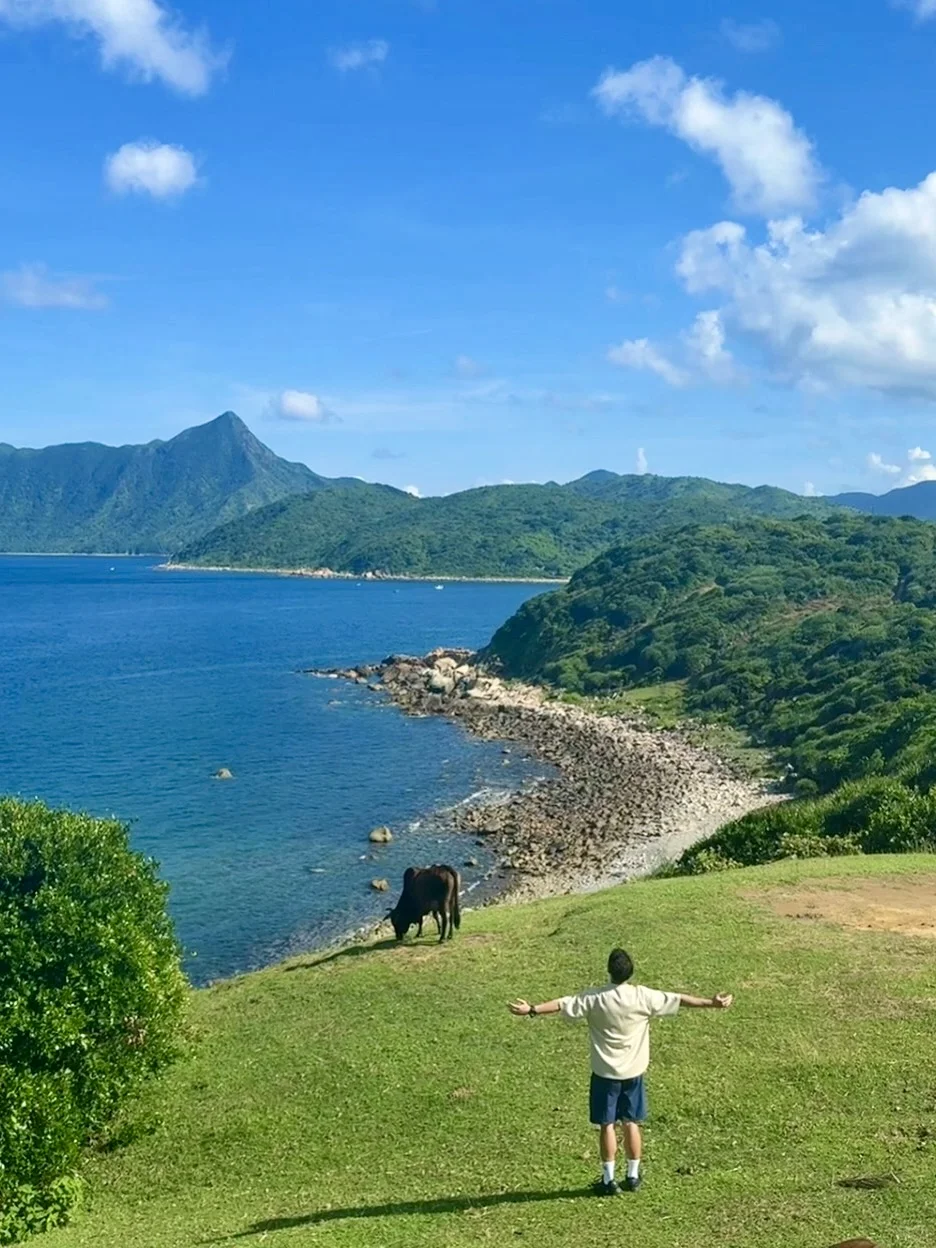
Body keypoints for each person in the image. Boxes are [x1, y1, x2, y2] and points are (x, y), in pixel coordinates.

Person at [508, 947, 733, 1195]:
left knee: (607, 1125)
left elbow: (563, 1004)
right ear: (631, 972)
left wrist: (531, 1009)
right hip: (633, 1074)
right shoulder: (643, 997)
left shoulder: (595, 998)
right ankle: (633, 1176)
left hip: (605, 1074)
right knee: (631, 1122)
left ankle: (608, 1180)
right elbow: (678, 999)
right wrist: (712, 1003)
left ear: (609, 971)